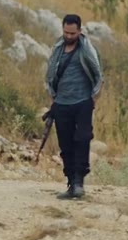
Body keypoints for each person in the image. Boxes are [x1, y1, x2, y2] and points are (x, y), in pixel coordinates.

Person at [45, 14, 104, 199]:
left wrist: (93, 98)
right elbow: (50, 76)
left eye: (72, 33)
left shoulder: (87, 50)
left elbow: (98, 75)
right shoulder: (57, 49)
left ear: (80, 31)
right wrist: (53, 100)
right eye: (66, 32)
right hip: (61, 103)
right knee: (66, 145)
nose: (69, 36)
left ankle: (79, 182)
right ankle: (71, 183)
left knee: (83, 139)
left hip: (83, 102)